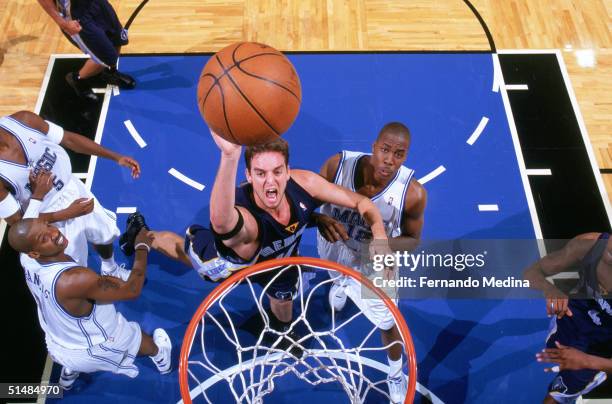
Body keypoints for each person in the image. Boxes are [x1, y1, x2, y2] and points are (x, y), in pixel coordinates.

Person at [204, 129, 391, 346]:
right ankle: (154, 240)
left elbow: (363, 203)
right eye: (260, 173)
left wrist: (379, 234)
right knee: (185, 252)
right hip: (230, 263)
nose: (270, 182)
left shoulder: (305, 185)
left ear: (287, 172)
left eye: (277, 171)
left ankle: (283, 332)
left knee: (284, 303)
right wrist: (229, 157)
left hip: (279, 263)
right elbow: (222, 222)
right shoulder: (246, 217)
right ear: (248, 175)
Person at [314, 122, 426, 403]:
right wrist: (317, 218)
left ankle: (395, 374)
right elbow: (307, 198)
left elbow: (412, 239)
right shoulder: (337, 166)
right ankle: (341, 284)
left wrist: (383, 244)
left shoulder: (412, 193)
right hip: (334, 241)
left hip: (374, 260)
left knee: (388, 321)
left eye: (399, 154)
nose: (389, 160)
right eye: (385, 150)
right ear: (373, 146)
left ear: (406, 156)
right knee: (335, 273)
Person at [7, 217, 171, 389]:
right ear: (34, 253)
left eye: (48, 225)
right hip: (96, 348)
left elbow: (26, 232)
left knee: (72, 345)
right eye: (43, 238)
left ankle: (70, 371)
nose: (54, 233)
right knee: (136, 338)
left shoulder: (26, 261)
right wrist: (141, 247)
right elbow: (132, 290)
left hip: (56, 343)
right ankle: (161, 356)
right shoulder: (75, 279)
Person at [0, 110, 140, 279]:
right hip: (46, 221)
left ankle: (110, 269)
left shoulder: (24, 120)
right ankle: (91, 302)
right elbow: (19, 224)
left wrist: (116, 157)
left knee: (103, 233)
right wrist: (67, 213)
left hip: (73, 188)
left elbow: (68, 139)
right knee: (73, 271)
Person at [524, 232, 611, 404]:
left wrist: (588, 361)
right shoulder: (589, 244)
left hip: (599, 351)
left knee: (554, 399)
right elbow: (531, 272)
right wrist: (550, 290)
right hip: (569, 321)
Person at [37, 0, 136, 102]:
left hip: (97, 3)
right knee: (106, 57)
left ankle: (110, 73)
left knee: (117, 39)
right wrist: (63, 24)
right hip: (77, 15)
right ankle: (77, 79)